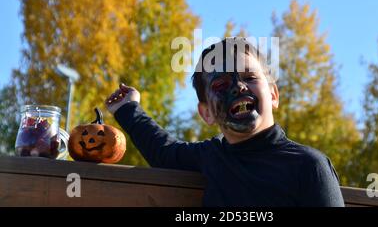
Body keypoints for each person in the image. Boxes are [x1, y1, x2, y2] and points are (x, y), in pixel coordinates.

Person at [105, 37, 345, 207]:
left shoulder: (309, 166)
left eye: (249, 77)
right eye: (220, 85)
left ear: (273, 95)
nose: (239, 86)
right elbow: (164, 151)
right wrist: (127, 108)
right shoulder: (211, 156)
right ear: (207, 113)